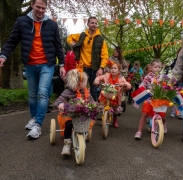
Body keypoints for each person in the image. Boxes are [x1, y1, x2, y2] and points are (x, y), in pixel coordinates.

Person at [0, 0, 66, 139]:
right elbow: (12, 41)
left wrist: (62, 65)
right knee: (31, 94)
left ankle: (38, 125)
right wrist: (3, 55)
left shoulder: (52, 25)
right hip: (30, 64)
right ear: (32, 5)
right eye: (38, 7)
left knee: (42, 93)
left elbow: (58, 45)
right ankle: (34, 117)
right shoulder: (21, 21)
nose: (41, 10)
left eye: (43, 8)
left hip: (46, 65)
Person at [67, 16, 108, 101]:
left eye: (96, 23)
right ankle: (80, 107)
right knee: (79, 88)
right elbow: (69, 37)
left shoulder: (101, 39)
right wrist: (72, 43)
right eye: (92, 23)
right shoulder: (82, 35)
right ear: (88, 24)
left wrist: (101, 68)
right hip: (82, 68)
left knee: (93, 90)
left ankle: (93, 109)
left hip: (94, 68)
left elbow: (105, 55)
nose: (94, 25)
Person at [54, 68, 93, 155]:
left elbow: (92, 101)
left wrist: (93, 106)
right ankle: (67, 143)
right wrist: (61, 104)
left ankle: (83, 136)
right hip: (70, 114)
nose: (86, 83)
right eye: (85, 82)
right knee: (68, 124)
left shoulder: (85, 92)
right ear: (78, 83)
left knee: (85, 122)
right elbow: (58, 100)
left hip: (82, 114)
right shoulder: (67, 92)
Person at [135, 59, 166, 139]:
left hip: (159, 98)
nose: (158, 68)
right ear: (151, 67)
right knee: (144, 114)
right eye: (155, 67)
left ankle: (163, 126)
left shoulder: (163, 77)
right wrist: (143, 88)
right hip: (149, 98)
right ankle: (139, 131)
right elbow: (143, 84)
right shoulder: (148, 76)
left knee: (162, 116)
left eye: (159, 67)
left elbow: (166, 86)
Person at [94, 61, 131, 128]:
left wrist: (125, 84)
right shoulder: (107, 76)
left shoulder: (121, 78)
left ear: (118, 70)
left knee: (115, 109)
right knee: (103, 106)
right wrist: (97, 81)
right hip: (106, 94)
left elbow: (128, 84)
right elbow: (99, 77)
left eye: (115, 68)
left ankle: (115, 120)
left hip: (115, 96)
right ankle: (104, 117)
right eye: (111, 68)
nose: (113, 70)